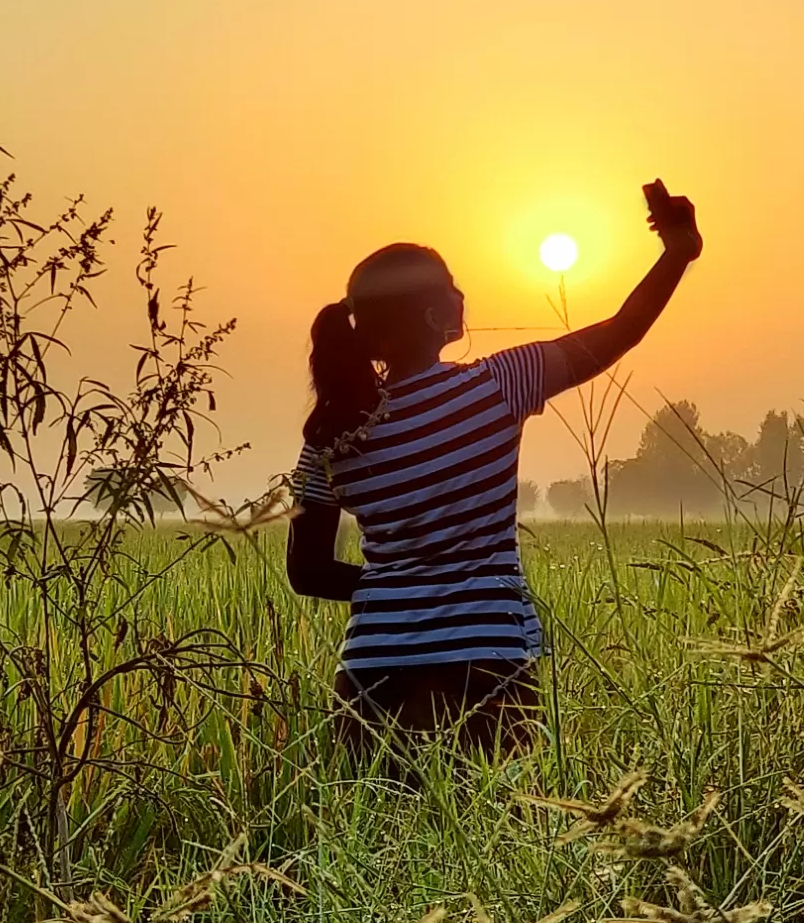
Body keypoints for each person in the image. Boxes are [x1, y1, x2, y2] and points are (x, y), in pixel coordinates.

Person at [288, 180, 703, 768]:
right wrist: (677, 252)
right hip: (485, 664)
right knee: (491, 843)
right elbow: (620, 331)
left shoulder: (327, 436)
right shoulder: (497, 385)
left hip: (370, 673)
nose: (463, 296)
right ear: (436, 313)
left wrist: (395, 586)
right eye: (452, 288)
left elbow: (307, 573)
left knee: (383, 849)